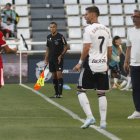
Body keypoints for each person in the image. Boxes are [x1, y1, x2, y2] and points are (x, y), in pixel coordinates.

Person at [73, 6, 112, 129]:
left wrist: (80, 62)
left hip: (91, 64)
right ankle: (103, 122)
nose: (85, 16)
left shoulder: (89, 29)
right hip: (103, 64)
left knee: (80, 90)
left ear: (93, 15)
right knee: (101, 93)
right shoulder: (106, 29)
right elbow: (110, 50)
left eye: (86, 14)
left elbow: (86, 47)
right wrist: (107, 63)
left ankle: (90, 117)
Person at [45, 22, 69, 98]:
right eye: (51, 27)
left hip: (58, 59)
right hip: (51, 59)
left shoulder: (60, 36)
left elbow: (66, 47)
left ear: (56, 28)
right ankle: (56, 93)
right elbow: (47, 48)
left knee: (59, 75)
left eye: (53, 27)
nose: (52, 28)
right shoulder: (48, 37)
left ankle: (60, 94)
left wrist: (61, 56)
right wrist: (46, 58)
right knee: (54, 76)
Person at [124, 9, 140, 119]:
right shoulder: (130, 31)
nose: (134, 18)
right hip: (134, 64)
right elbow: (128, 48)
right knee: (136, 88)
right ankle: (138, 111)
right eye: (132, 16)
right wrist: (126, 61)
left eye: (136, 16)